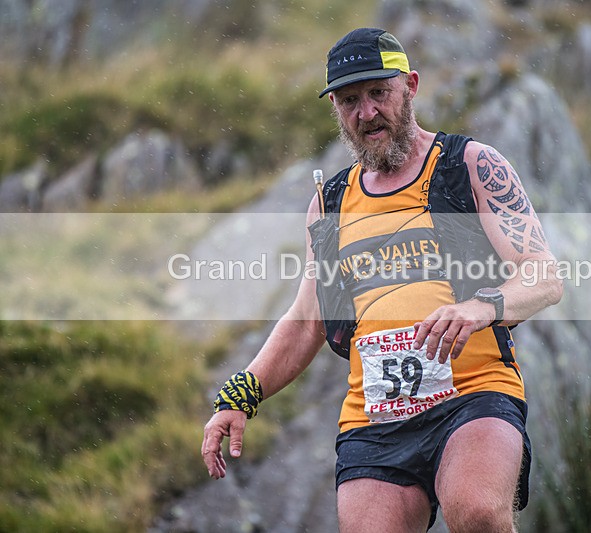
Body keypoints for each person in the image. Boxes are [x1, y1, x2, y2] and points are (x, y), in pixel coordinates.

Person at [202, 27, 562, 533]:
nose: (366, 113)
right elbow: (307, 320)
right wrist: (239, 395)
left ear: (410, 86)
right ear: (336, 110)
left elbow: (544, 275)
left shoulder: (470, 165)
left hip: (473, 393)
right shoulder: (329, 204)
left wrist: (481, 307)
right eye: (350, 100)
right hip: (374, 420)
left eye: (378, 93)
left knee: (477, 511)